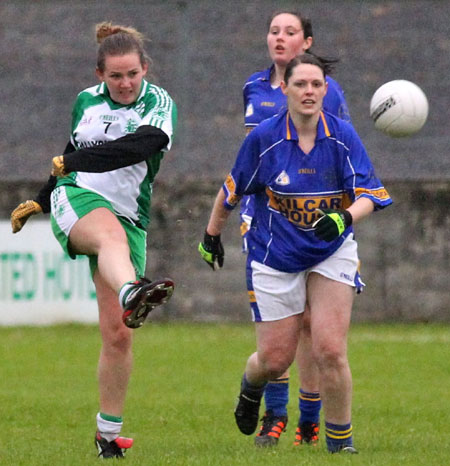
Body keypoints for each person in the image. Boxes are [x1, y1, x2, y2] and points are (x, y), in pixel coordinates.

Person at [199, 53, 392, 453]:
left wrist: (343, 218)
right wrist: (211, 234)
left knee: (330, 349)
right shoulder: (263, 139)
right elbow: (231, 190)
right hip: (275, 254)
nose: (308, 91)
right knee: (274, 360)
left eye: (316, 85)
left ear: (326, 90)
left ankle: (341, 444)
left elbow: (371, 194)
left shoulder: (341, 136)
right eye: (300, 84)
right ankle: (251, 386)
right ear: (284, 89)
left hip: (329, 250)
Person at [10, 21, 177, 459]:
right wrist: (44, 198)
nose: (125, 84)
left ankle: (108, 435)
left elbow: (139, 146)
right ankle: (133, 291)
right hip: (78, 198)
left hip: (129, 219)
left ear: (145, 69)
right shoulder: (86, 101)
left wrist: (73, 159)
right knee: (108, 236)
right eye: (115, 75)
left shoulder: (159, 105)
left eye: (132, 74)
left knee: (118, 335)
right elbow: (68, 155)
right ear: (100, 74)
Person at [239, 10, 351, 447]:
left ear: (307, 42)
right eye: (273, 31)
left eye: (290, 32)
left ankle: (308, 419)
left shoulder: (327, 90)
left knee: (311, 326)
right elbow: (251, 157)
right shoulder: (253, 86)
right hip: (264, 219)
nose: (280, 38)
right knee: (279, 327)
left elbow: (336, 151)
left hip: (312, 220)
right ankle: (275, 416)